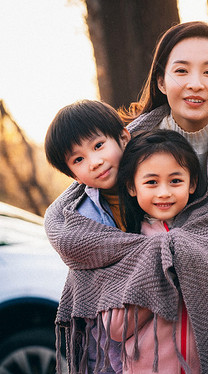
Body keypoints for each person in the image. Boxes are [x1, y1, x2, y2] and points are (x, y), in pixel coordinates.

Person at [45, 21, 208, 374]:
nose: (195, 83)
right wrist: (157, 254)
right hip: (154, 344)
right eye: (181, 70)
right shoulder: (132, 139)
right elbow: (74, 207)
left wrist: (193, 251)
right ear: (161, 80)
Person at [104, 129, 202, 373]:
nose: (164, 192)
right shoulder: (127, 246)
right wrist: (163, 277)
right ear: (131, 187)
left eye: (175, 181)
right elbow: (115, 328)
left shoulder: (206, 236)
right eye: (151, 182)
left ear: (192, 184)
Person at [44, 99, 130, 374]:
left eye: (98, 145)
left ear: (123, 138)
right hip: (111, 346)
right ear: (73, 175)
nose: (95, 162)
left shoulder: (157, 187)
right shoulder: (82, 220)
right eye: (79, 159)